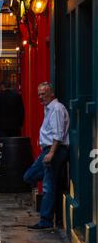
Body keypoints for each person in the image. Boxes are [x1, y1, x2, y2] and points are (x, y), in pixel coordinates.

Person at [23, 82, 70, 229]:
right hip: (50, 150)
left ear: (51, 94)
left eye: (43, 94)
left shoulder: (56, 109)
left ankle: (46, 220)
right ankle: (51, 214)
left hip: (55, 151)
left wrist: (51, 153)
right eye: (39, 94)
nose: (40, 97)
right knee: (30, 177)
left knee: (48, 186)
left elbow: (58, 134)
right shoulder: (49, 109)